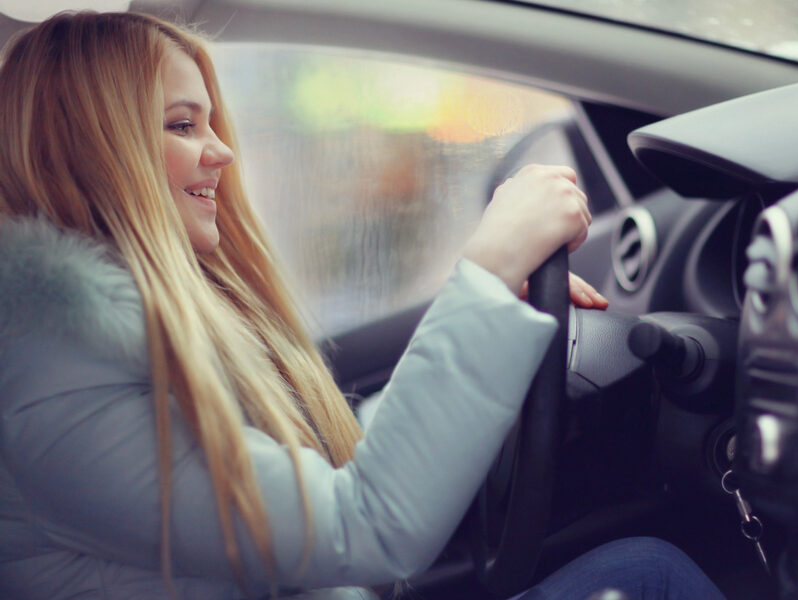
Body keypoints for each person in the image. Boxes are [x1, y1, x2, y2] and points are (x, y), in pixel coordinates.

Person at [0, 11, 725, 600]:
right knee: (648, 576)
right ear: (93, 149)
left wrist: (485, 311)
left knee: (642, 567)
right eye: (183, 126)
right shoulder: (55, 374)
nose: (221, 151)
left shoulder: (111, 344)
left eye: (211, 123)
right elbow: (365, 526)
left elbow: (334, 471)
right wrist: (488, 264)